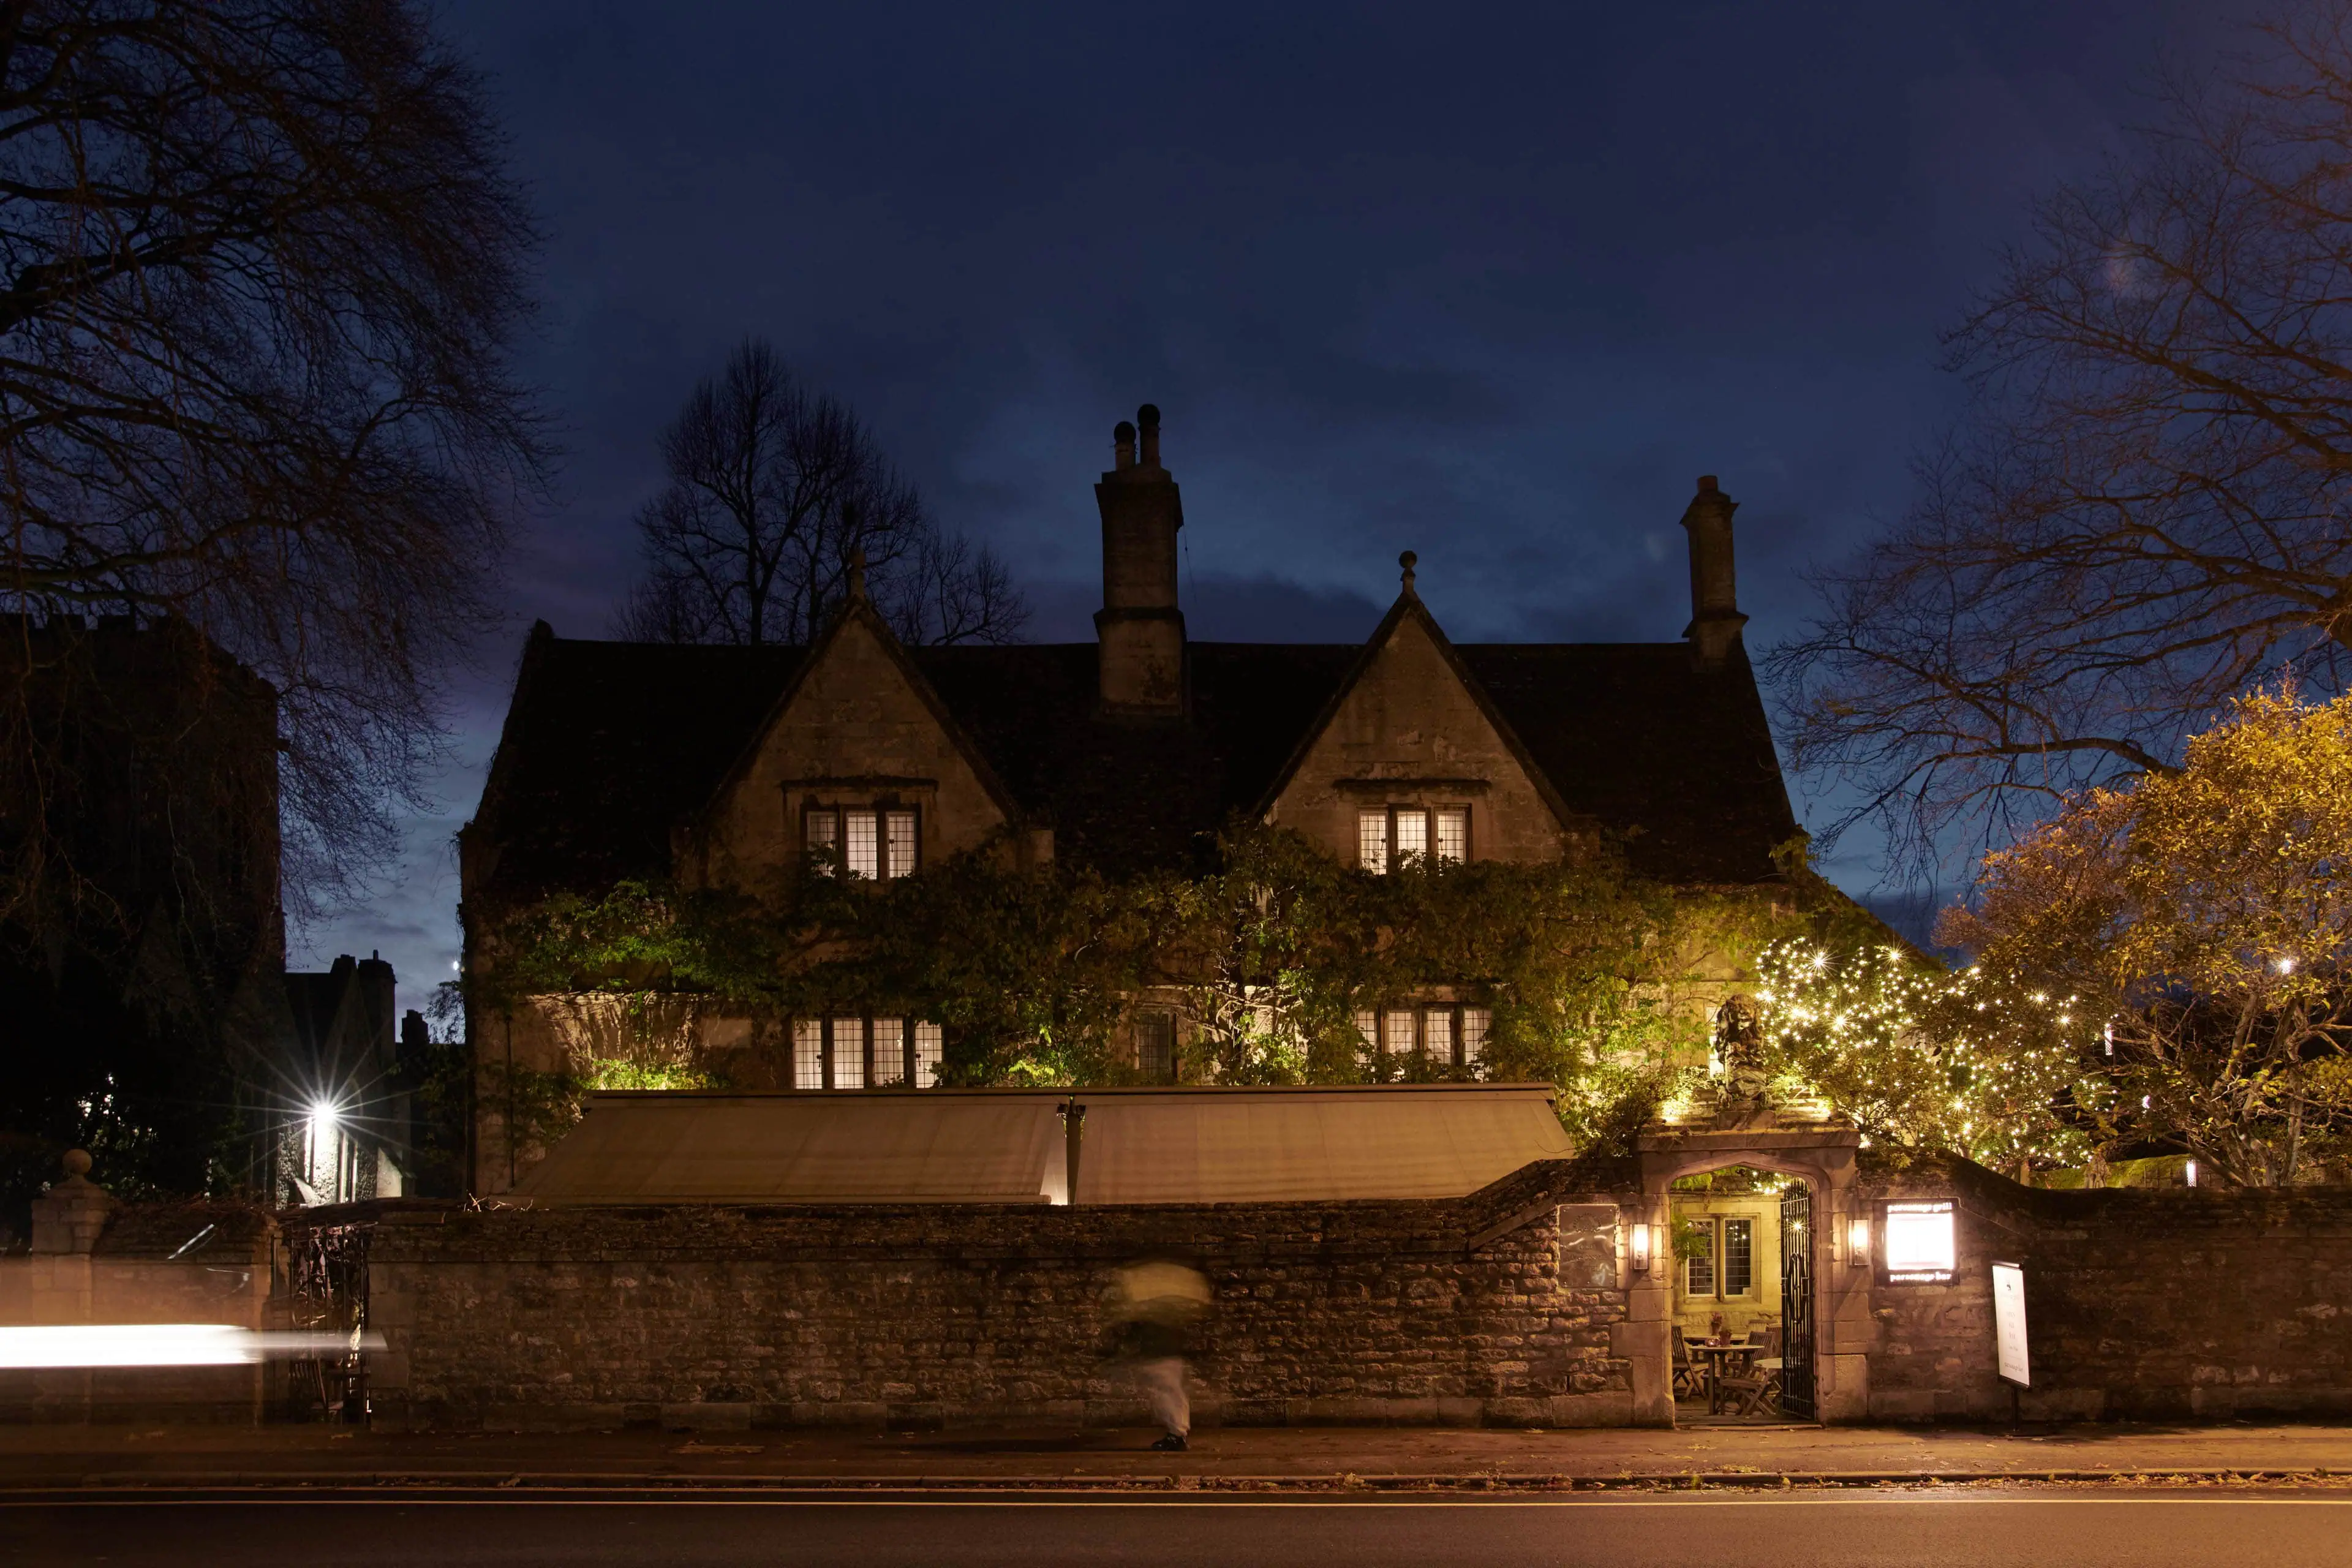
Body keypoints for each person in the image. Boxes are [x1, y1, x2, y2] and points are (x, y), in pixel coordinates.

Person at [1108, 1260, 1210, 1452]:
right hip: (1165, 1353)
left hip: (1161, 1354)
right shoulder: (1167, 1311)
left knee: (1167, 1392)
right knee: (1169, 1391)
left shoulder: (1155, 1310)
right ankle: (1177, 1432)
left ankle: (1177, 1435)